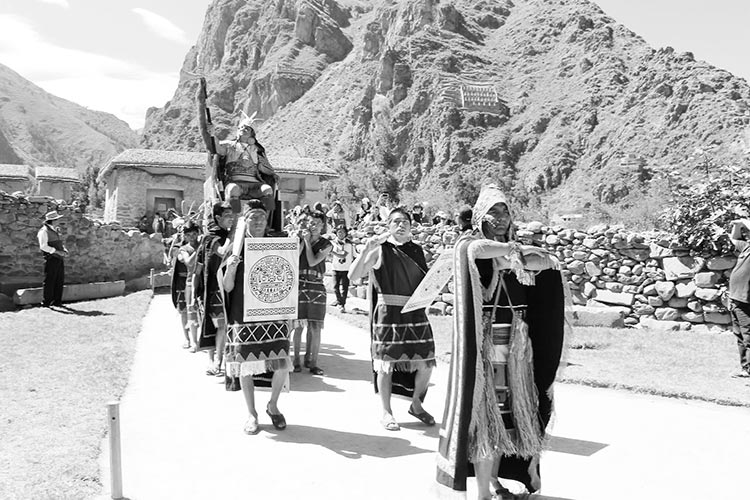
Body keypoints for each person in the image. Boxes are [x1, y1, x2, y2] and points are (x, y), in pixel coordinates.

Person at [436, 184, 565, 500]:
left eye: (505, 210)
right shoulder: (468, 246)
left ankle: (495, 483)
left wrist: (518, 254)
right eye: (494, 210)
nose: (501, 216)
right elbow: (477, 252)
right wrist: (513, 254)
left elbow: (544, 263)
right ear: (480, 216)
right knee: (486, 420)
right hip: (486, 346)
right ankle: (482, 494)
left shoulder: (514, 249)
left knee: (508, 419)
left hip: (518, 346)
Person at [348, 208, 436, 431]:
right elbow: (353, 275)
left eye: (405, 221)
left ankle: (416, 404)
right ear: (388, 226)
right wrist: (365, 250)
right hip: (388, 313)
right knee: (385, 365)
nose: (401, 225)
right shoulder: (380, 251)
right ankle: (387, 412)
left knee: (427, 362)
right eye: (396, 221)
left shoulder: (417, 251)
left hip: (415, 313)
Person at [222, 200, 291, 434]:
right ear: (245, 221)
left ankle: (273, 405)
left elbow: (288, 280)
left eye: (262, 216)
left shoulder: (278, 245)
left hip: (274, 313)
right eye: (254, 217)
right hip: (243, 314)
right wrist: (231, 267)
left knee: (282, 361)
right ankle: (251, 413)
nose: (259, 220)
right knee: (246, 365)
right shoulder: (235, 247)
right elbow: (227, 288)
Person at [194, 201, 235, 376]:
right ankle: (216, 362)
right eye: (227, 217)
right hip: (212, 289)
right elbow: (222, 252)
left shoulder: (225, 234)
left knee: (222, 326)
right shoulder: (210, 238)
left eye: (232, 216)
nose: (231, 220)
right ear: (217, 218)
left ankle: (218, 361)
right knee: (218, 325)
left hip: (227, 286)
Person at [291, 210, 333, 375]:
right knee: (298, 326)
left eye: (317, 223)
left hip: (316, 286)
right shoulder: (298, 240)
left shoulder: (327, 244)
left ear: (322, 225)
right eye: (310, 223)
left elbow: (313, 260)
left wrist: (308, 243)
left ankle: (312, 361)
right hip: (299, 285)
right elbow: (294, 257)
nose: (313, 226)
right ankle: (295, 360)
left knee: (315, 327)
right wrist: (302, 241)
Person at [172, 221, 201, 351]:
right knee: (185, 311)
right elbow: (186, 262)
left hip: (200, 281)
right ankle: (188, 339)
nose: (192, 237)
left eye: (194, 234)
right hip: (184, 282)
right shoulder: (180, 248)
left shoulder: (203, 245)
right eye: (188, 234)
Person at [727, 218, 750, 378]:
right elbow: (734, 238)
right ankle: (745, 369)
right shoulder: (747, 247)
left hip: (745, 300)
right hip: (735, 298)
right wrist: (737, 225)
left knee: (748, 335)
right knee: (740, 335)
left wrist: (745, 221)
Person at [37, 210, 68, 307]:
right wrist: (57, 252)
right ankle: (46, 302)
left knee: (59, 280)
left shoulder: (56, 229)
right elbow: (43, 246)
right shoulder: (43, 231)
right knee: (50, 280)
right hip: (51, 258)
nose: (58, 220)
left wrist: (64, 250)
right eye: (57, 219)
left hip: (59, 258)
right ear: (53, 220)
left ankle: (57, 301)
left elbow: (59, 243)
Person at [330, 225, 355, 312]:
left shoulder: (348, 244)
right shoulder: (332, 243)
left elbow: (344, 255)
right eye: (339, 232)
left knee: (344, 288)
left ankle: (342, 304)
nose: (341, 234)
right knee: (335, 287)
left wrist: (332, 252)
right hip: (335, 267)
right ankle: (339, 300)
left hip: (346, 268)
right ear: (336, 233)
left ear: (346, 233)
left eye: (343, 232)